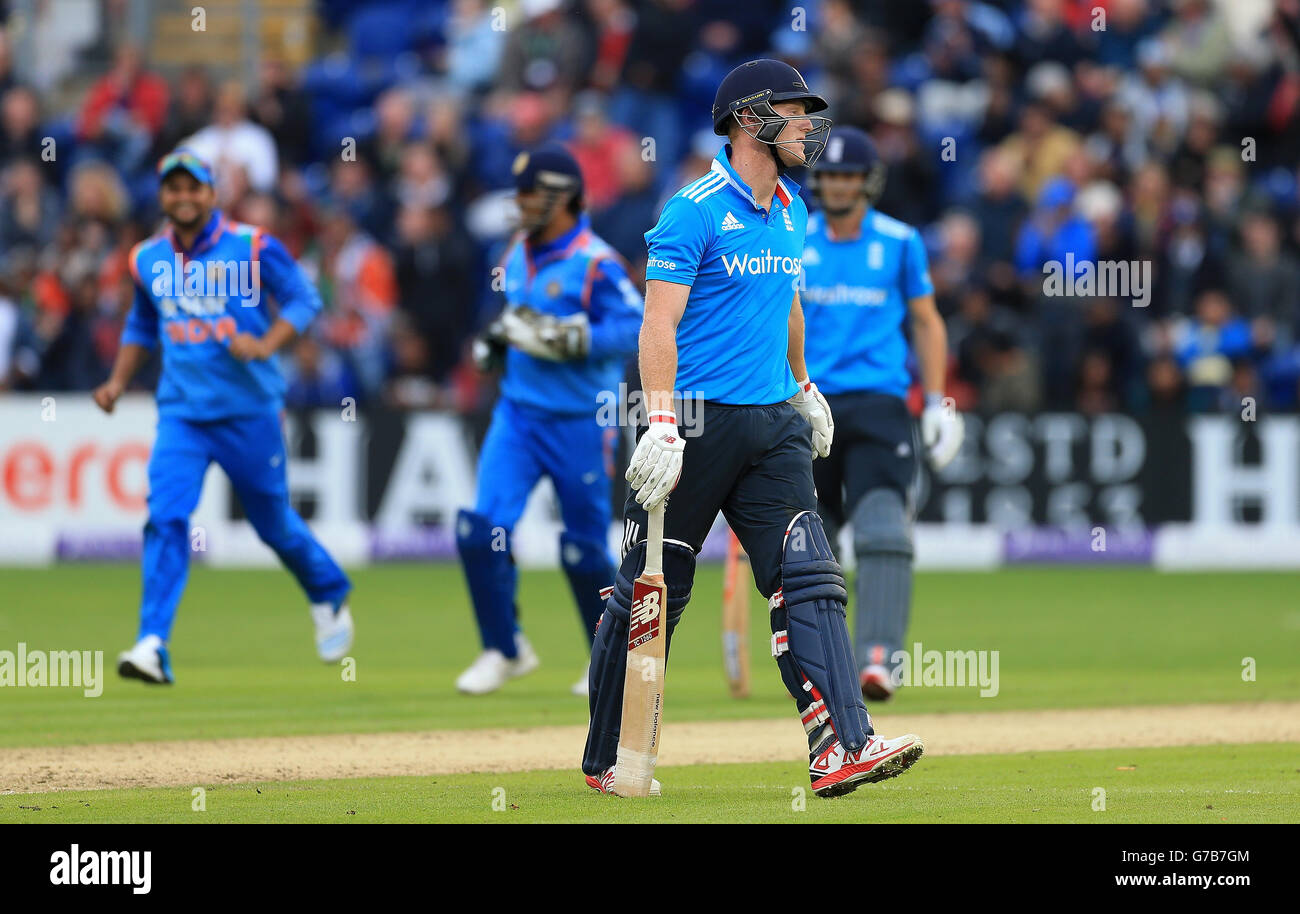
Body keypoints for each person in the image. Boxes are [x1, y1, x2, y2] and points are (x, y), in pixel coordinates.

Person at [582, 60, 925, 799]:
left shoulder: (795, 210)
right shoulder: (693, 209)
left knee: (809, 578)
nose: (808, 126)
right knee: (652, 594)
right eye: (795, 112)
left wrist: (804, 386)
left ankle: (844, 746)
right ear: (748, 120)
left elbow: (789, 303)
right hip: (695, 425)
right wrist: (663, 422)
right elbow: (658, 323)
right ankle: (610, 758)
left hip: (774, 425)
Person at [93, 150, 353, 684]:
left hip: (249, 411)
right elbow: (143, 325)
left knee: (272, 524)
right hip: (182, 414)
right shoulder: (146, 258)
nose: (183, 197)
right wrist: (118, 381)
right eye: (173, 189)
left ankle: (328, 591)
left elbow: (304, 299)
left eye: (194, 188)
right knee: (165, 517)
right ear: (162, 196)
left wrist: (266, 343)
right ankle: (152, 643)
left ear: (213, 193)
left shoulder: (253, 246)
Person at [456, 143, 642, 696]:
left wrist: (576, 338)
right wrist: (497, 341)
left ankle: (605, 656)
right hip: (517, 415)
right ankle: (504, 647)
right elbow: (516, 316)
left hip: (581, 421)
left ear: (566, 197)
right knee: (479, 529)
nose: (523, 204)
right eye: (520, 193)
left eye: (533, 193)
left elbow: (636, 327)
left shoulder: (596, 261)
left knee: (582, 548)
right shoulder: (516, 251)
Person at [801, 127, 965, 700]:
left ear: (868, 182)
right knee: (806, 545)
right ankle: (823, 668)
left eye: (849, 176)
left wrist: (940, 400)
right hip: (806, 403)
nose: (838, 185)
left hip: (879, 403)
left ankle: (878, 658)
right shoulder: (791, 237)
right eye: (830, 175)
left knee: (881, 530)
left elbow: (926, 321)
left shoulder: (899, 241)